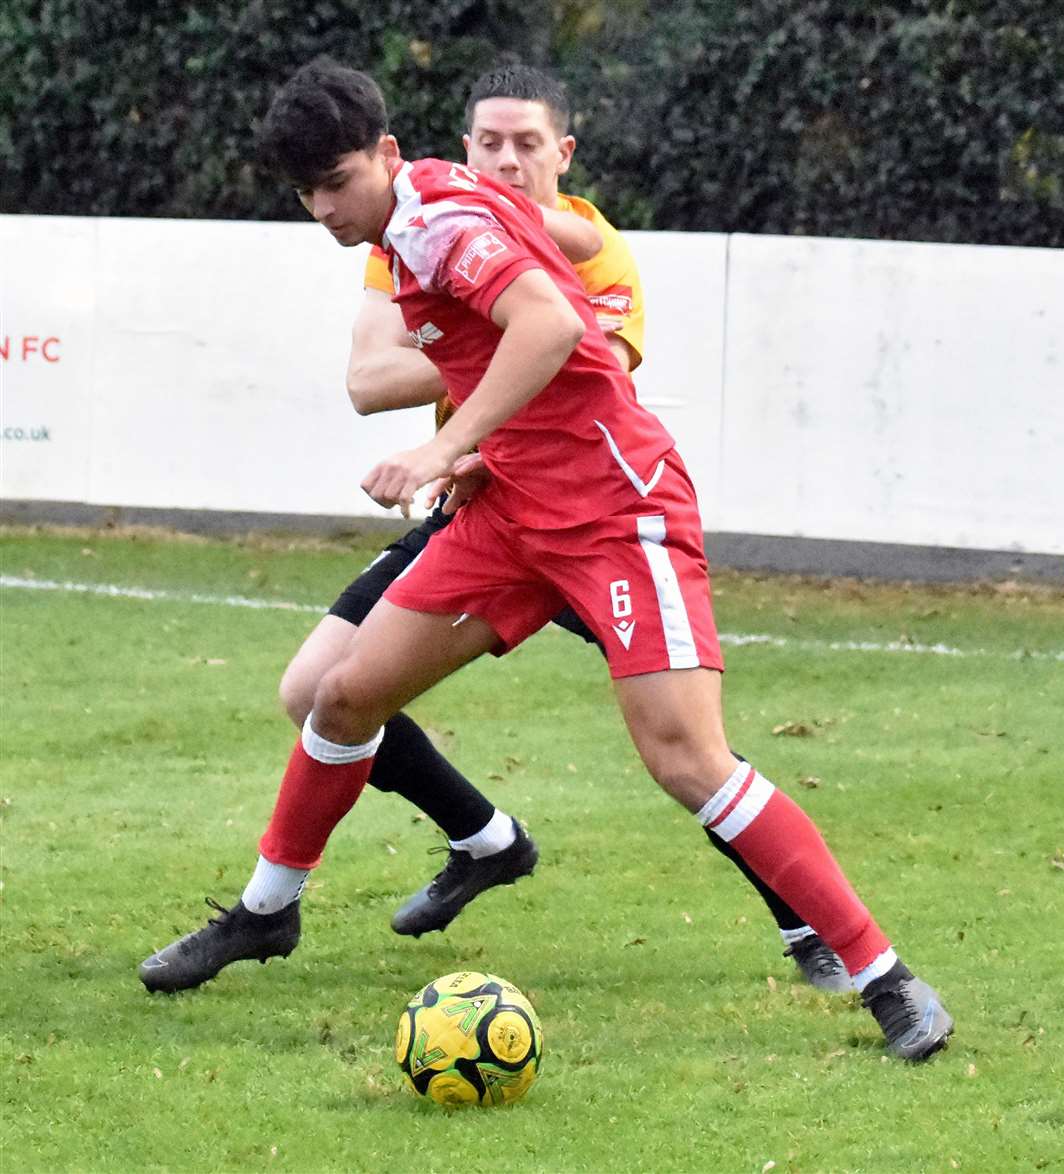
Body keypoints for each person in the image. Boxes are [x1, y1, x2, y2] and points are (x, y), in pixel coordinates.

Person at [140, 59, 953, 1062]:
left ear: (387, 155)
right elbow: (533, 288)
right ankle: (268, 912)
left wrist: (441, 446)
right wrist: (484, 447)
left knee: (685, 758)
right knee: (342, 698)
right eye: (307, 192)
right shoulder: (424, 205)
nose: (324, 208)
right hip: (508, 513)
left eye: (338, 182)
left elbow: (553, 321)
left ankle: (887, 978)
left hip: (617, 509)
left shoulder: (438, 219)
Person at [278, 64, 851, 990]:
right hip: (476, 503)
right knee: (316, 692)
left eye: (527, 143)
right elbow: (364, 381)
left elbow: (578, 359)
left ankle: (807, 924)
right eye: (488, 142)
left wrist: (484, 335)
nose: (505, 158)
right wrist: (478, 343)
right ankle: (485, 840)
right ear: (456, 150)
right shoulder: (412, 226)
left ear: (562, 153)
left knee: (686, 745)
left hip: (589, 517)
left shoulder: (594, 252)